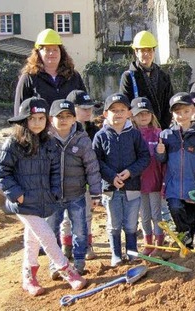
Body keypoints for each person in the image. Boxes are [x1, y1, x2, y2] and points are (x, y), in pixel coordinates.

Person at [0, 97, 86, 296]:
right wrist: (16, 195)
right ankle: (66, 270)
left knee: (32, 239)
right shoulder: (13, 143)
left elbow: (55, 170)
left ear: (46, 120)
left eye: (41, 118)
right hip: (23, 201)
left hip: (43, 199)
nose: (37, 123)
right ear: (24, 120)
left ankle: (29, 277)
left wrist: (54, 191)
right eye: (32, 118)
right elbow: (1, 171)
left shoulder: (48, 143)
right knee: (46, 235)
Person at [45, 99, 101, 277]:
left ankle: (78, 262)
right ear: (51, 118)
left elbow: (92, 167)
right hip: (52, 196)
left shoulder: (81, 139)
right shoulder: (45, 140)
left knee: (80, 229)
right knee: (51, 230)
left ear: (73, 118)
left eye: (68, 116)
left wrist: (95, 192)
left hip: (76, 194)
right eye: (59, 116)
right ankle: (56, 264)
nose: (63, 120)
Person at [93, 93, 150, 266]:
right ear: (105, 114)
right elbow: (96, 161)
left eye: (122, 110)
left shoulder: (134, 134)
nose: (118, 114)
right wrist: (111, 176)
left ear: (129, 113)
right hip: (110, 189)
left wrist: (130, 172)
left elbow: (144, 157)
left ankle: (132, 252)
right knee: (114, 223)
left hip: (132, 187)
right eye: (113, 110)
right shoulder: (100, 136)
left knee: (131, 223)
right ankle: (116, 254)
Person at [157, 92, 195, 250]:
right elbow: (162, 160)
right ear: (172, 114)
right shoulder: (166, 135)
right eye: (177, 112)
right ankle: (185, 236)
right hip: (173, 185)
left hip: (194, 184)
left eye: (186, 111)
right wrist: (160, 152)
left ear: (193, 110)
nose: (182, 116)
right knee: (175, 208)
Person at [15, 29, 86, 115]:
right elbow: (19, 111)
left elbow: (84, 105)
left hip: (70, 127)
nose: (51, 53)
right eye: (47, 50)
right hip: (40, 127)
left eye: (55, 49)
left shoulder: (73, 76)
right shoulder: (28, 78)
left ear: (61, 52)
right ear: (38, 53)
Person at [68, 90, 100, 260]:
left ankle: (87, 245)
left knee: (86, 215)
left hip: (88, 180)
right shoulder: (65, 129)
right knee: (67, 216)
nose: (88, 112)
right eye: (83, 108)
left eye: (90, 108)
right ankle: (67, 245)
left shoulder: (95, 130)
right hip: (67, 180)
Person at [120, 31, 174, 129]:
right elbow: (125, 105)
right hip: (137, 130)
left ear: (154, 51)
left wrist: (161, 129)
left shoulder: (163, 77)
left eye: (149, 50)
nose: (146, 54)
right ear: (136, 52)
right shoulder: (129, 77)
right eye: (142, 50)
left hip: (160, 129)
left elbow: (168, 105)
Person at [131, 97, 165, 255]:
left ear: (152, 115)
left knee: (156, 214)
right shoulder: (131, 134)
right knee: (144, 215)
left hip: (155, 181)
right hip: (138, 182)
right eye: (139, 114)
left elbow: (163, 159)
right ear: (132, 116)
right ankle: (148, 244)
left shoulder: (159, 133)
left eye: (146, 113)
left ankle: (159, 243)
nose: (143, 116)